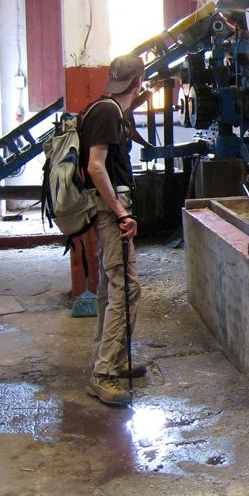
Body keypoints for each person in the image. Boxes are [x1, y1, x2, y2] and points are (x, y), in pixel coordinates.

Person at [82, 53, 146, 407]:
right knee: (127, 290)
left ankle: (109, 361)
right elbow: (95, 167)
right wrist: (121, 212)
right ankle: (103, 374)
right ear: (138, 83)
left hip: (107, 211)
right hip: (110, 213)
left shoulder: (110, 110)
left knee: (110, 288)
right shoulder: (108, 112)